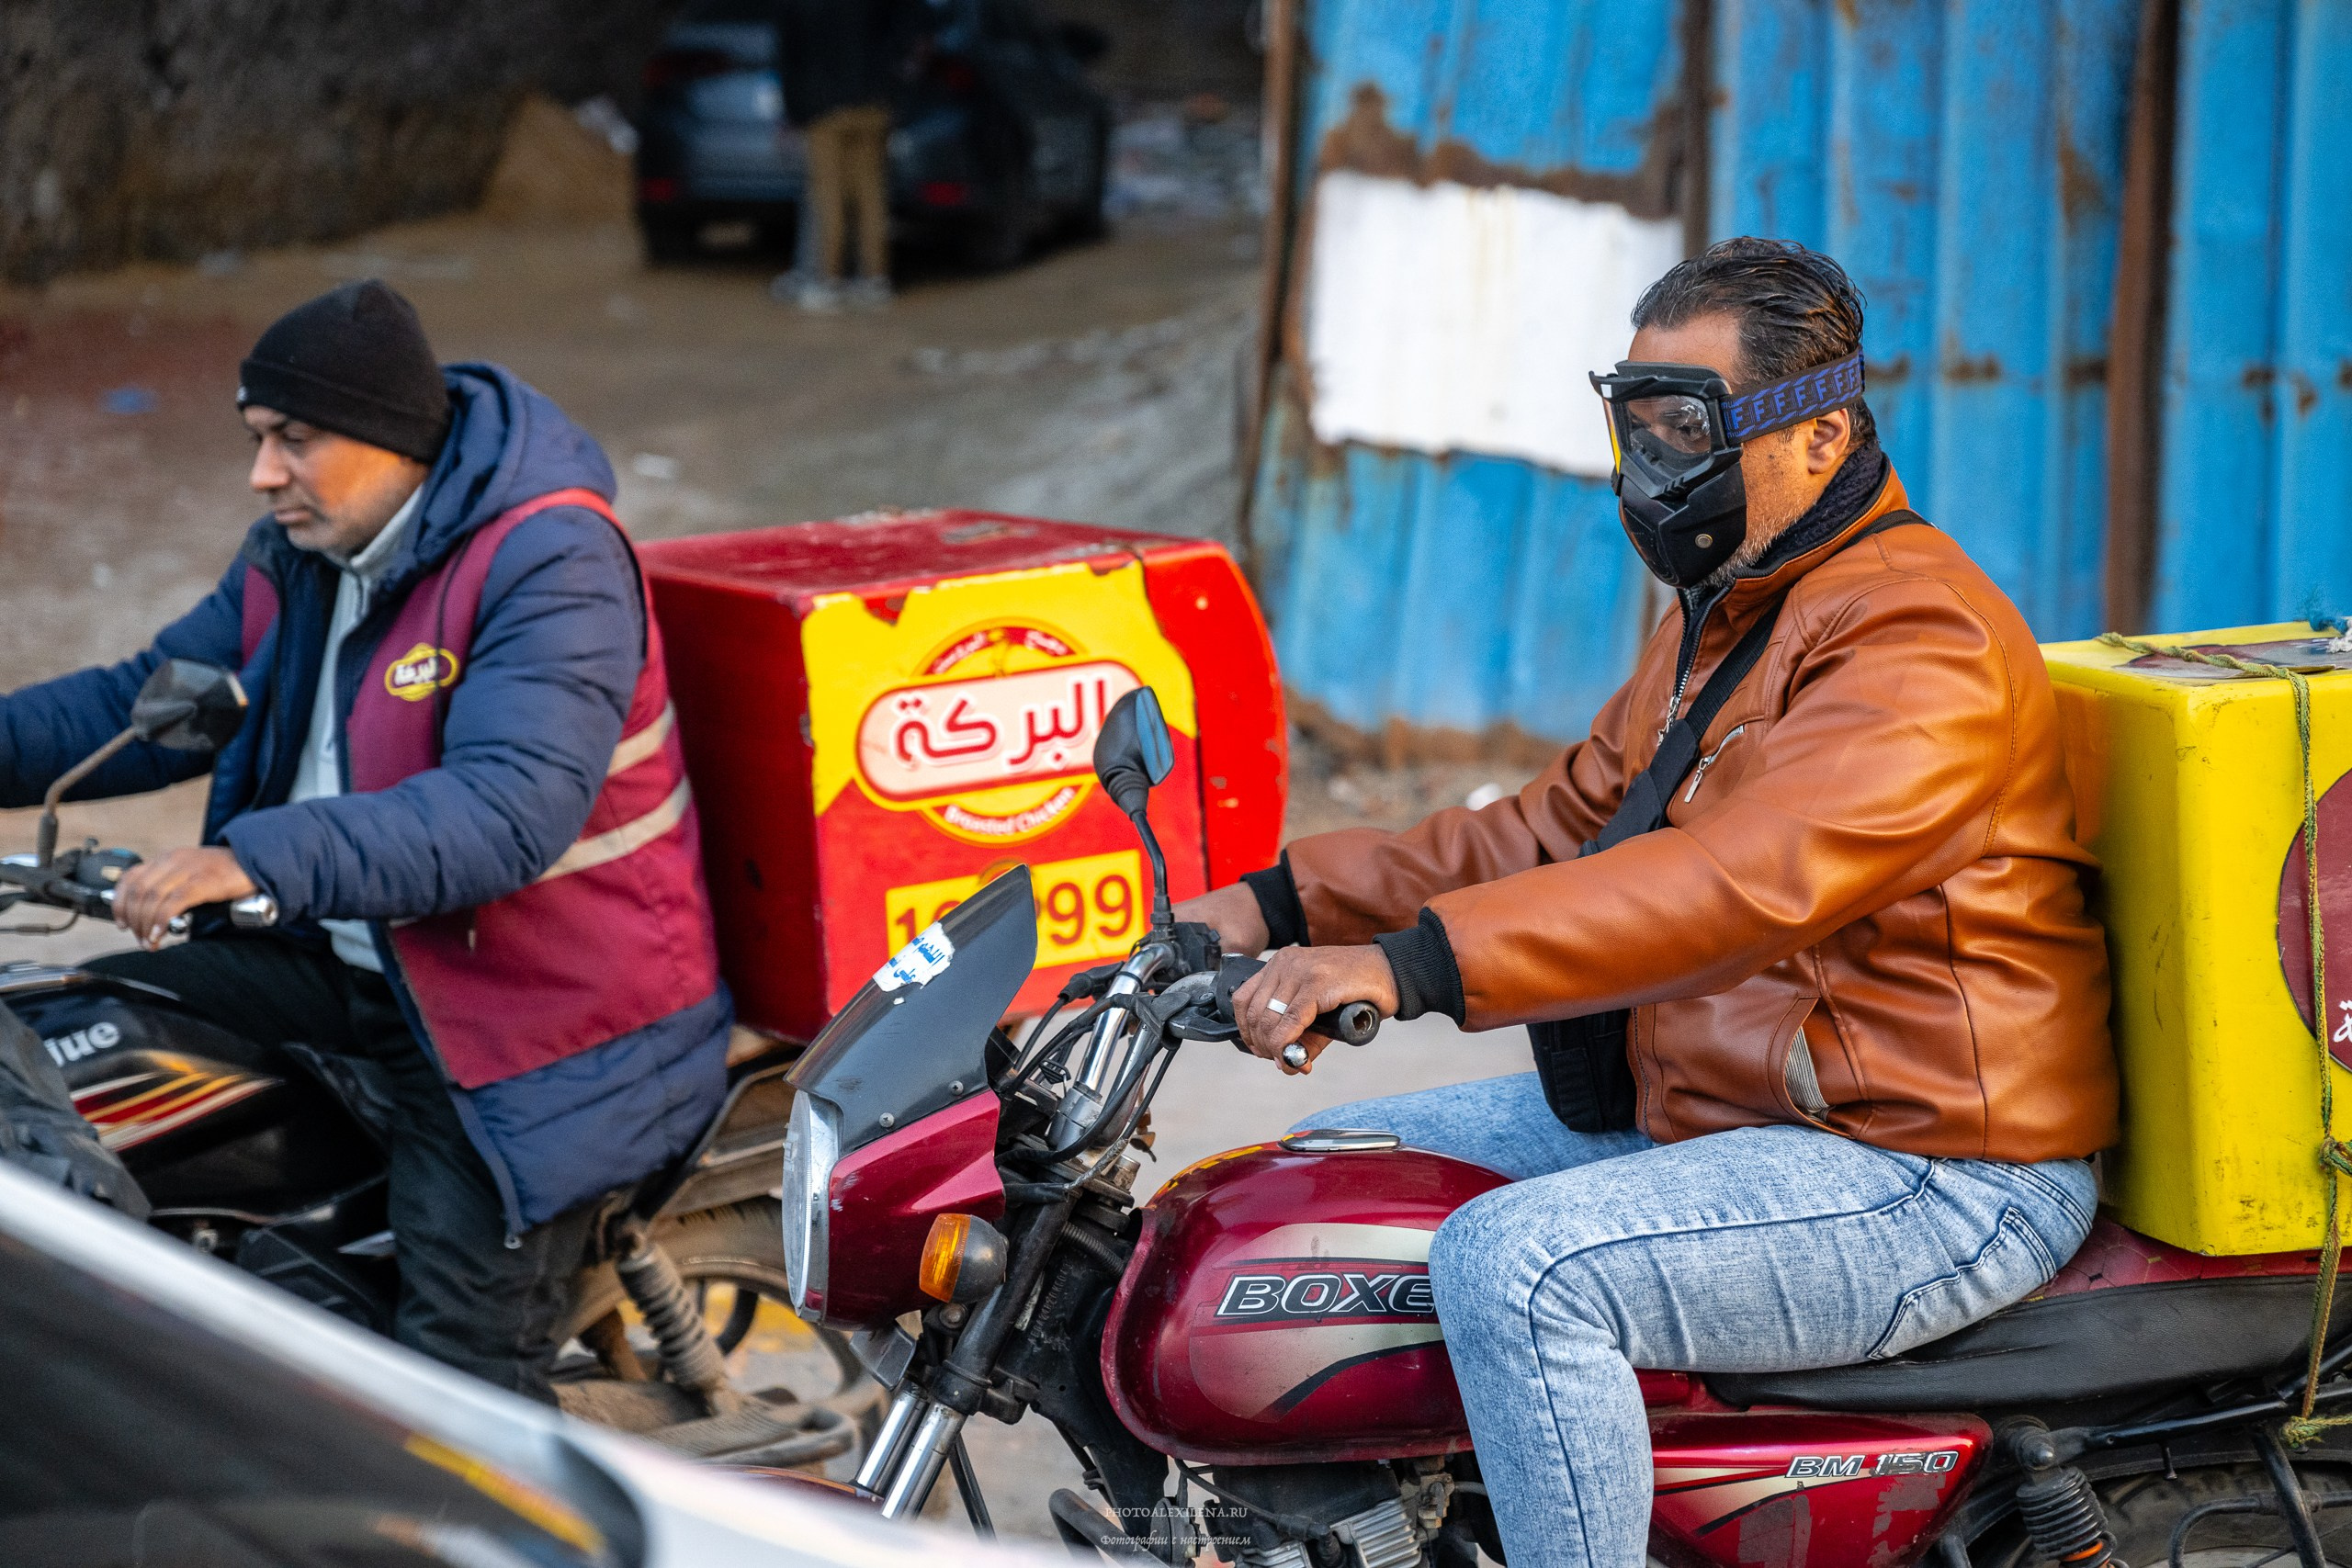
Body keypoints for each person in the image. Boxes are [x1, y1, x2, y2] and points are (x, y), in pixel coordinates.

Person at [1176, 238, 2118, 1567]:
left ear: (1818, 432)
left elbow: (1738, 881)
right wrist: (1277, 902)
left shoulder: (1920, 640)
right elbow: (1556, 827)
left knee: (1520, 1267)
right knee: (1338, 1165)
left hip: (1928, 1164)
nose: (1652, 466)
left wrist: (1412, 967)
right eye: (1638, 423)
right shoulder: (1726, 617)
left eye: (1689, 427)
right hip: (1738, 1108)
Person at [0, 280, 730, 1401]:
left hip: (530, 1027)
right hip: (352, 967)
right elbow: (143, 701)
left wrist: (258, 856)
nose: (263, 473)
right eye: (257, 440)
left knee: (450, 1402)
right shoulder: (295, 560)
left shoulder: (550, 561)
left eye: (294, 439)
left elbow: (508, 810)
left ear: (388, 437)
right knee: (77, 1047)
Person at [774, 0, 912, 312]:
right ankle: (875, 278)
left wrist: (793, 109)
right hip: (873, 102)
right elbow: (910, 29)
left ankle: (828, 280)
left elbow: (788, 52)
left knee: (828, 196)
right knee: (871, 193)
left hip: (824, 107)